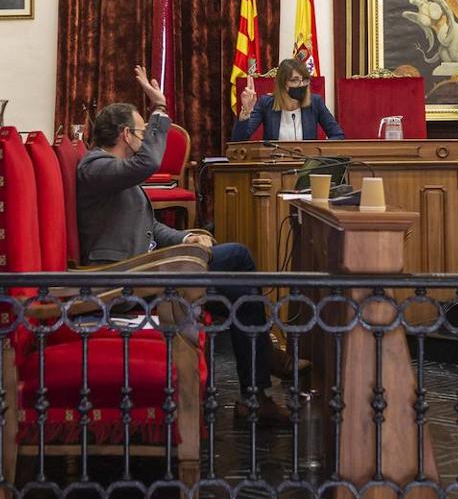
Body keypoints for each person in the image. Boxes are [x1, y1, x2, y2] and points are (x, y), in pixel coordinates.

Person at [77, 66, 303, 421]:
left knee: (239, 291)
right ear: (126, 134)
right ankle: (261, 375)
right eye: (141, 132)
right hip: (124, 282)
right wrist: (160, 108)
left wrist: (186, 237)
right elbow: (149, 162)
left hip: (148, 271)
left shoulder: (114, 172)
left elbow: (149, 226)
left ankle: (256, 394)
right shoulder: (96, 167)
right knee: (239, 260)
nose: (145, 138)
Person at [232, 58, 345, 142]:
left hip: (306, 167)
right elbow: (238, 141)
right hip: (275, 168)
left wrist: (317, 152)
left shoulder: (315, 102)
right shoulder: (266, 103)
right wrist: (247, 112)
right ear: (282, 83)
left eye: (304, 80)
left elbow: (338, 135)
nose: (301, 85)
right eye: (295, 80)